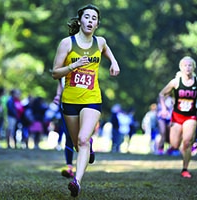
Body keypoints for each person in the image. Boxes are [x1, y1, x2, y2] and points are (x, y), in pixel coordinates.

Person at [51, 4, 120, 197]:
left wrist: (114, 62)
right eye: (87, 17)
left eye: (94, 18)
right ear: (80, 20)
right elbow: (55, 73)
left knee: (82, 140)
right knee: (76, 143)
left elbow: (106, 49)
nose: (90, 21)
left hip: (92, 98)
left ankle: (77, 182)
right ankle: (87, 149)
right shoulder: (67, 43)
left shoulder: (100, 42)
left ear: (97, 24)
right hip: (70, 100)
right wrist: (73, 66)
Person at [159, 56, 197, 178]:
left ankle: (185, 169)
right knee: (175, 144)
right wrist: (164, 108)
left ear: (193, 67)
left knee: (187, 142)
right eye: (185, 65)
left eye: (190, 65)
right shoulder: (175, 82)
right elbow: (162, 94)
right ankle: (177, 147)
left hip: (191, 116)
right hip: (177, 116)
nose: (187, 68)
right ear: (181, 68)